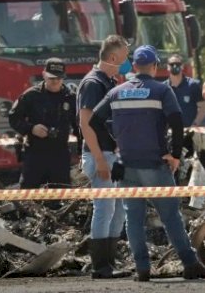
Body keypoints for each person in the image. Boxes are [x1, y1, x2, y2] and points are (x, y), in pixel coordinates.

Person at [89, 45, 205, 281]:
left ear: (133, 66)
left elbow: (93, 121)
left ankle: (142, 269)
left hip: (126, 166)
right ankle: (190, 264)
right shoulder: (161, 90)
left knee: (133, 219)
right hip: (155, 165)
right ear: (154, 67)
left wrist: (115, 144)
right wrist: (174, 155)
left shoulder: (117, 92)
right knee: (171, 216)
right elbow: (176, 121)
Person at [76, 34, 131, 279]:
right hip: (101, 155)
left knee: (118, 210)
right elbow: (86, 124)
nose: (127, 63)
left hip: (111, 155)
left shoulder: (108, 81)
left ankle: (109, 262)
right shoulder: (93, 83)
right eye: (124, 58)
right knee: (105, 209)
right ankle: (101, 266)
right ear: (112, 58)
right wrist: (99, 159)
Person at [9, 58, 80, 205]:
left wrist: (82, 150)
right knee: (28, 197)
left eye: (59, 78)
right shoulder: (31, 96)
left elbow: (79, 125)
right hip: (35, 153)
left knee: (60, 198)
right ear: (43, 75)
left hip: (59, 154)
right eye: (51, 78)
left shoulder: (70, 98)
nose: (55, 82)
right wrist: (31, 128)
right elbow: (14, 118)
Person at [164, 54, 204, 127]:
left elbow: (202, 107)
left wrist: (195, 124)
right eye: (172, 64)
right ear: (167, 67)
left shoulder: (193, 85)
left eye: (178, 64)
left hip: (189, 131)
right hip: (170, 132)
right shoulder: (163, 88)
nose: (175, 66)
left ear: (182, 66)